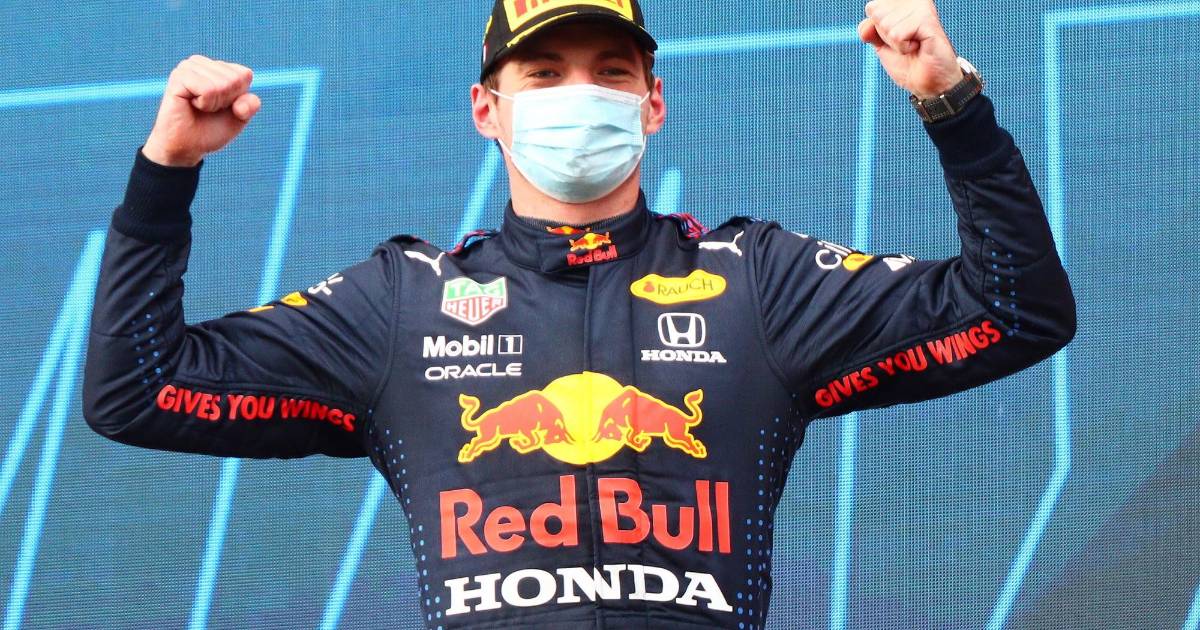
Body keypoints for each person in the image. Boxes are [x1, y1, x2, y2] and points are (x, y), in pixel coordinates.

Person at [82, 0, 1076, 627]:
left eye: (610, 71)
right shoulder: (401, 303)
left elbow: (1016, 308)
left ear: (653, 103)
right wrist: (166, 174)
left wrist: (952, 105)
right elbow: (139, 389)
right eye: (545, 73)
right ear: (487, 108)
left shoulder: (757, 281)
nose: (580, 94)